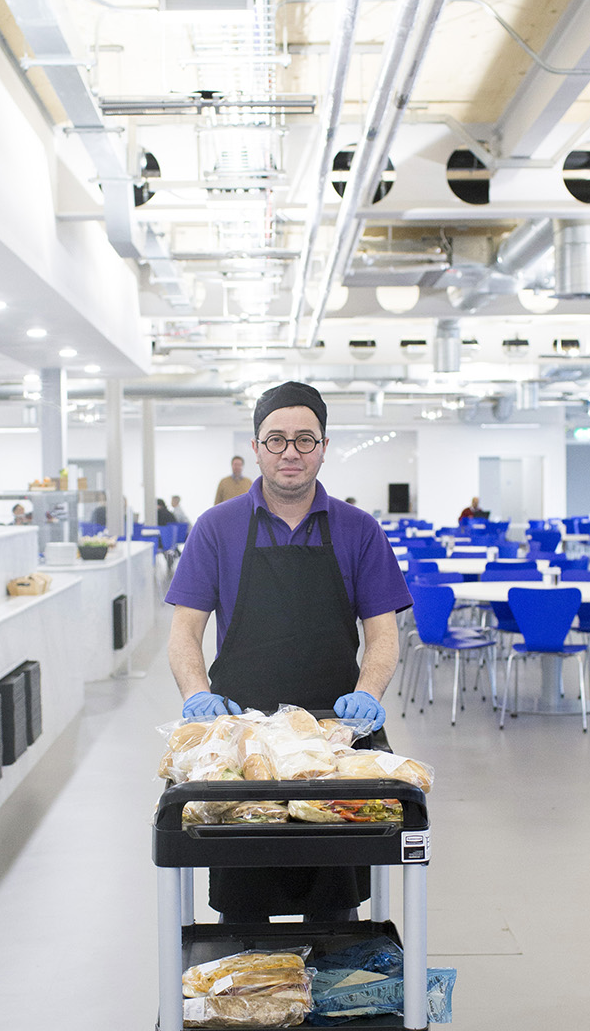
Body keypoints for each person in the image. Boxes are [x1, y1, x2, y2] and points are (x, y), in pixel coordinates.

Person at [165, 379, 411, 927]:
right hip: (242, 741)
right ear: (256, 447)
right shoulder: (216, 529)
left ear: (324, 445)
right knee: (242, 911)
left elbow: (383, 633)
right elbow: (184, 631)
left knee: (336, 911)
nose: (291, 452)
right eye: (276, 439)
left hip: (334, 740)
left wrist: (367, 694)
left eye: (305, 439)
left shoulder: (359, 530)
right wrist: (197, 693)